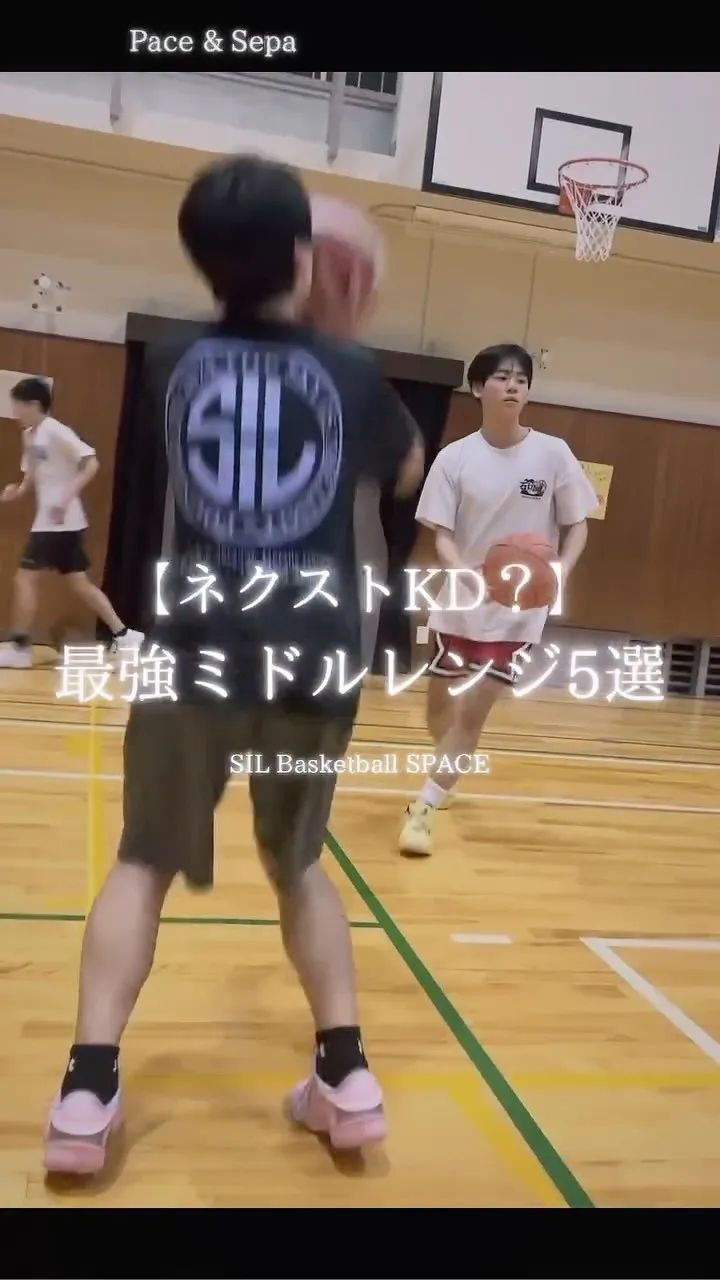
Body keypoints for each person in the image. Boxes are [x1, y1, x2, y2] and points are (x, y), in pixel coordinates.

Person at [43, 156, 424, 1175]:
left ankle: (86, 1093)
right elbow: (405, 470)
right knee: (299, 865)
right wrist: (345, 333)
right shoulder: (353, 377)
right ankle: (346, 1075)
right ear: (303, 258)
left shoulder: (170, 361)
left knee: (143, 861)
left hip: (196, 651)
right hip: (312, 656)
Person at [399, 343, 598, 858]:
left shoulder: (552, 454)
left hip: (519, 612)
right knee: (439, 712)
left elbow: (577, 525)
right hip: (461, 602)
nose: (513, 386)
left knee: (472, 715)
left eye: (522, 380)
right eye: (502, 377)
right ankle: (448, 767)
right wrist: (461, 571)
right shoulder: (455, 458)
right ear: (477, 387)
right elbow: (442, 535)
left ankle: (423, 807)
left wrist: (560, 570)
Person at [0, 379, 144, 668]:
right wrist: (17, 490)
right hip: (56, 523)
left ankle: (19, 648)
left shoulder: (56, 431)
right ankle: (125, 635)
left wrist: (65, 498)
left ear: (34, 405)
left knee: (25, 579)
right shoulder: (30, 436)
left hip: (58, 522)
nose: (15, 412)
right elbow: (32, 475)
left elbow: (91, 462)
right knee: (79, 584)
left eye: (18, 406)